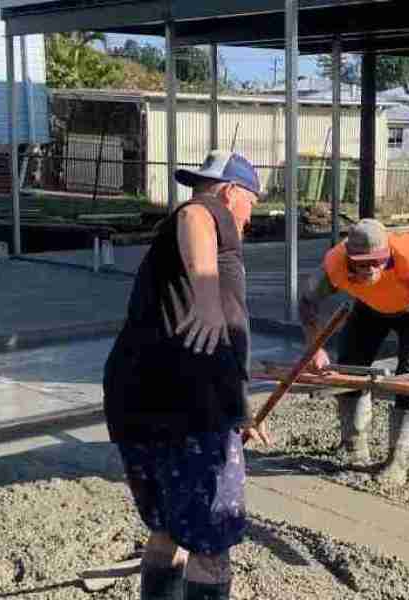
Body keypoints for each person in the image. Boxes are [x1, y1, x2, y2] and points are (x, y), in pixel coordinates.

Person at [103, 150, 270, 600]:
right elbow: (196, 213)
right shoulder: (207, 211)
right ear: (232, 191)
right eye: (251, 204)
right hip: (190, 409)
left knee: (166, 528)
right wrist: (207, 290)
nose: (250, 219)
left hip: (138, 401)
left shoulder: (176, 249)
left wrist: (240, 410)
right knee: (211, 546)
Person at [298, 219, 409, 487]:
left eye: (376, 261)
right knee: (350, 369)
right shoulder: (334, 265)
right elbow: (307, 300)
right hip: (369, 306)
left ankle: (397, 460)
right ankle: (353, 444)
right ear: (349, 258)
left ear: (387, 254)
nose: (369, 268)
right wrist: (315, 348)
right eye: (361, 262)